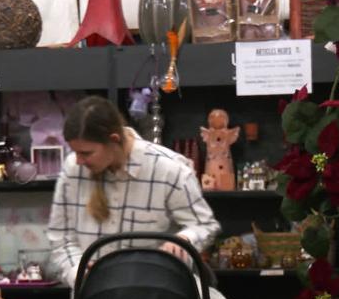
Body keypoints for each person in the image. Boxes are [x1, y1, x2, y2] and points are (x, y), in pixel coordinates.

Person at [47, 95, 221, 287]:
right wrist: (79, 272)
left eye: (86, 153)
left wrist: (183, 240)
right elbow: (60, 239)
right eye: (75, 152)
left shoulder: (169, 170)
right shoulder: (73, 169)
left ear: (114, 140)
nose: (78, 160)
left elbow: (205, 226)